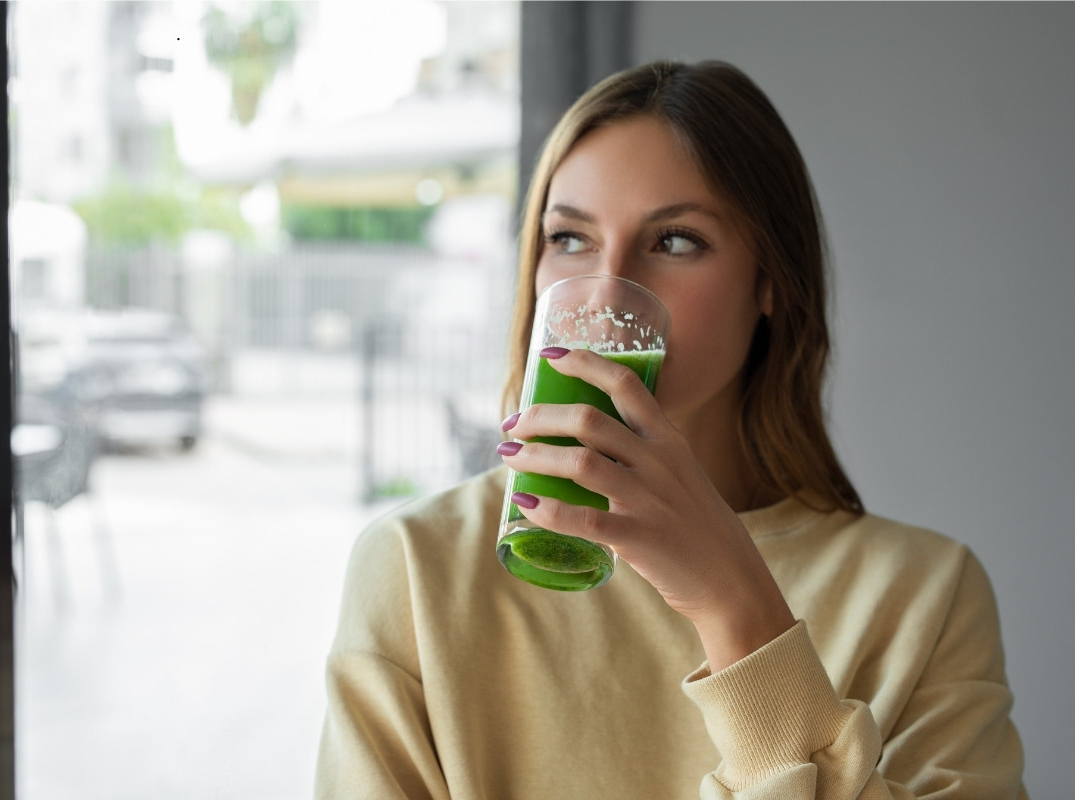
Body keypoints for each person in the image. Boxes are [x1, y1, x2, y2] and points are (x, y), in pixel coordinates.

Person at [315, 60, 1026, 799]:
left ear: (771, 281)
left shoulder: (927, 596)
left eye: (676, 241)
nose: (604, 292)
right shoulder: (416, 571)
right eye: (569, 239)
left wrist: (734, 604)